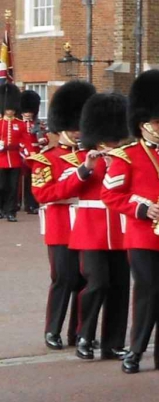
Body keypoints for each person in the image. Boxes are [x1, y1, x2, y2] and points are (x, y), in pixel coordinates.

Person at [103, 70, 159, 375]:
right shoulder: (126, 155)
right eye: (157, 122)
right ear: (142, 123)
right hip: (143, 235)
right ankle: (136, 350)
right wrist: (143, 210)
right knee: (148, 291)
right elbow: (111, 194)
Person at [61, 92, 133, 360]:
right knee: (97, 284)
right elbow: (63, 189)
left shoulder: (127, 155)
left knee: (120, 288)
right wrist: (86, 167)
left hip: (121, 230)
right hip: (91, 232)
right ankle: (83, 335)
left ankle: (113, 343)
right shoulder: (80, 157)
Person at [29, 81, 94, 351]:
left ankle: (78, 333)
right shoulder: (46, 159)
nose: (79, 132)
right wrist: (79, 176)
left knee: (85, 280)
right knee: (63, 279)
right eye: (74, 127)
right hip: (61, 226)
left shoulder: (91, 155)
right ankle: (52, 330)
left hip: (88, 225)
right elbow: (43, 194)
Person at [0, 82, 23, 221]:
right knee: (1, 186)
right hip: (1, 158)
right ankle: (1, 208)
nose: (10, 111)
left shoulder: (19, 124)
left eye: (12, 109)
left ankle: (10, 212)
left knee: (13, 188)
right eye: (8, 109)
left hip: (15, 158)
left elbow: (24, 141)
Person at [20, 88, 41, 214]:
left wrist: (44, 140)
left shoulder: (37, 124)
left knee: (32, 180)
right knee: (17, 183)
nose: (28, 113)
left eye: (30, 111)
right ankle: (16, 203)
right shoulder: (18, 124)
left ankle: (32, 204)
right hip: (21, 154)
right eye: (25, 111)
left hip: (35, 154)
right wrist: (26, 151)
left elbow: (44, 138)